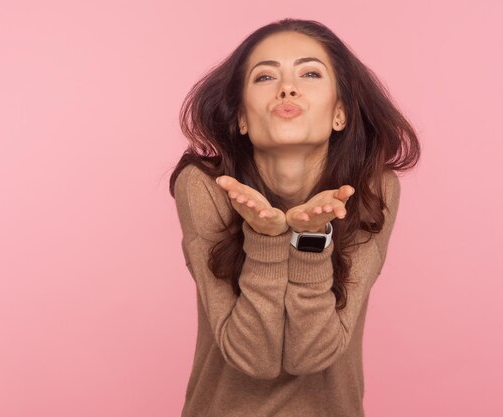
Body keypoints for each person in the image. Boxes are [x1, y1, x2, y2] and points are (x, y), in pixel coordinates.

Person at [169, 18, 420, 417]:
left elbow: (312, 354)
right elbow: (254, 359)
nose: (288, 87)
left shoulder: (372, 190)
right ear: (242, 119)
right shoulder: (204, 186)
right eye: (265, 76)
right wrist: (266, 238)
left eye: (309, 72)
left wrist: (310, 240)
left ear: (340, 113)